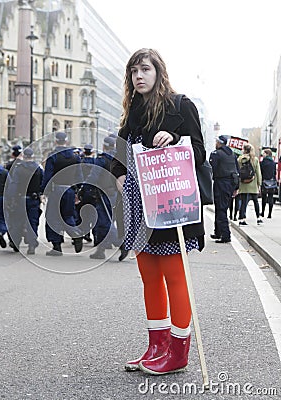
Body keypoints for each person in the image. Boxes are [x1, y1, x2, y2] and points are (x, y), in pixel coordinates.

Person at [110, 49, 206, 375]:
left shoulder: (181, 106)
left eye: (145, 69)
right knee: (149, 278)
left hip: (168, 205)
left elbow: (199, 153)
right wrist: (119, 172)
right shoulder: (132, 113)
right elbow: (120, 153)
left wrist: (177, 138)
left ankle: (178, 352)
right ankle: (157, 347)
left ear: (158, 72)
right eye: (134, 71)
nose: (139, 76)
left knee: (174, 276)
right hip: (138, 206)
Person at [41, 131, 84, 256]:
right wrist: (77, 190)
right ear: (66, 141)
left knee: (53, 218)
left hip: (56, 190)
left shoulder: (53, 155)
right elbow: (79, 175)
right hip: (69, 190)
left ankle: (57, 246)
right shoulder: (75, 156)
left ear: (55, 141)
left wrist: (43, 190)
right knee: (68, 216)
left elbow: (47, 176)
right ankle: (76, 233)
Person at [82, 136, 122, 259]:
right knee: (105, 221)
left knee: (104, 222)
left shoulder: (101, 159)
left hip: (103, 193)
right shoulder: (119, 159)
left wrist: (84, 190)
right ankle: (101, 250)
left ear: (104, 146)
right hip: (116, 193)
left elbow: (93, 177)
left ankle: (121, 243)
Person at [7, 147, 44, 254]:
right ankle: (31, 245)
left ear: (24, 156)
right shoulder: (38, 169)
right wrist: (41, 194)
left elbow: (14, 184)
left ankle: (16, 242)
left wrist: (11, 198)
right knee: (32, 222)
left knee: (17, 221)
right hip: (34, 199)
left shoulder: (18, 168)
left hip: (20, 199)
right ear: (33, 156)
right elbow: (43, 183)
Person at [209, 135, 239, 243]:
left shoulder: (216, 154)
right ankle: (218, 232)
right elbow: (237, 170)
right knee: (221, 207)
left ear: (219, 142)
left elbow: (211, 170)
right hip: (231, 183)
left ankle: (225, 235)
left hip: (221, 183)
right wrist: (236, 187)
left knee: (220, 209)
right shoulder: (232, 154)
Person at [237, 143, 262, 226]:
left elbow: (238, 171)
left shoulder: (239, 159)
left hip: (243, 183)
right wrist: (259, 183)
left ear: (244, 150)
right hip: (253, 183)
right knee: (255, 201)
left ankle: (242, 219)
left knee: (243, 202)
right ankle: (258, 218)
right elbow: (258, 173)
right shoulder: (254, 159)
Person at [260, 148, 277, 219]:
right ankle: (270, 214)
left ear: (266, 154)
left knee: (264, 198)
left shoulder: (263, 162)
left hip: (264, 181)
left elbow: (260, 172)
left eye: (263, 153)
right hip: (272, 181)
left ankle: (263, 212)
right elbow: (274, 173)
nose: (262, 154)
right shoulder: (273, 163)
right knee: (270, 197)